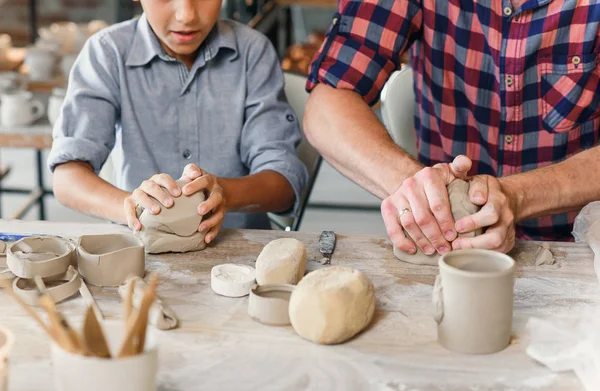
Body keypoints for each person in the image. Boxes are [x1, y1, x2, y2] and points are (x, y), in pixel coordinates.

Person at [304, 0, 600, 256]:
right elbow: (325, 107)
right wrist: (418, 188)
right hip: (447, 242)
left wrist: (517, 196)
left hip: (581, 242)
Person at [48, 0, 308, 243]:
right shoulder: (107, 52)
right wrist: (132, 206)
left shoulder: (253, 51)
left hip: (239, 248)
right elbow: (67, 178)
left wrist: (224, 193)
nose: (187, 15)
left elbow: (285, 184)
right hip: (140, 247)